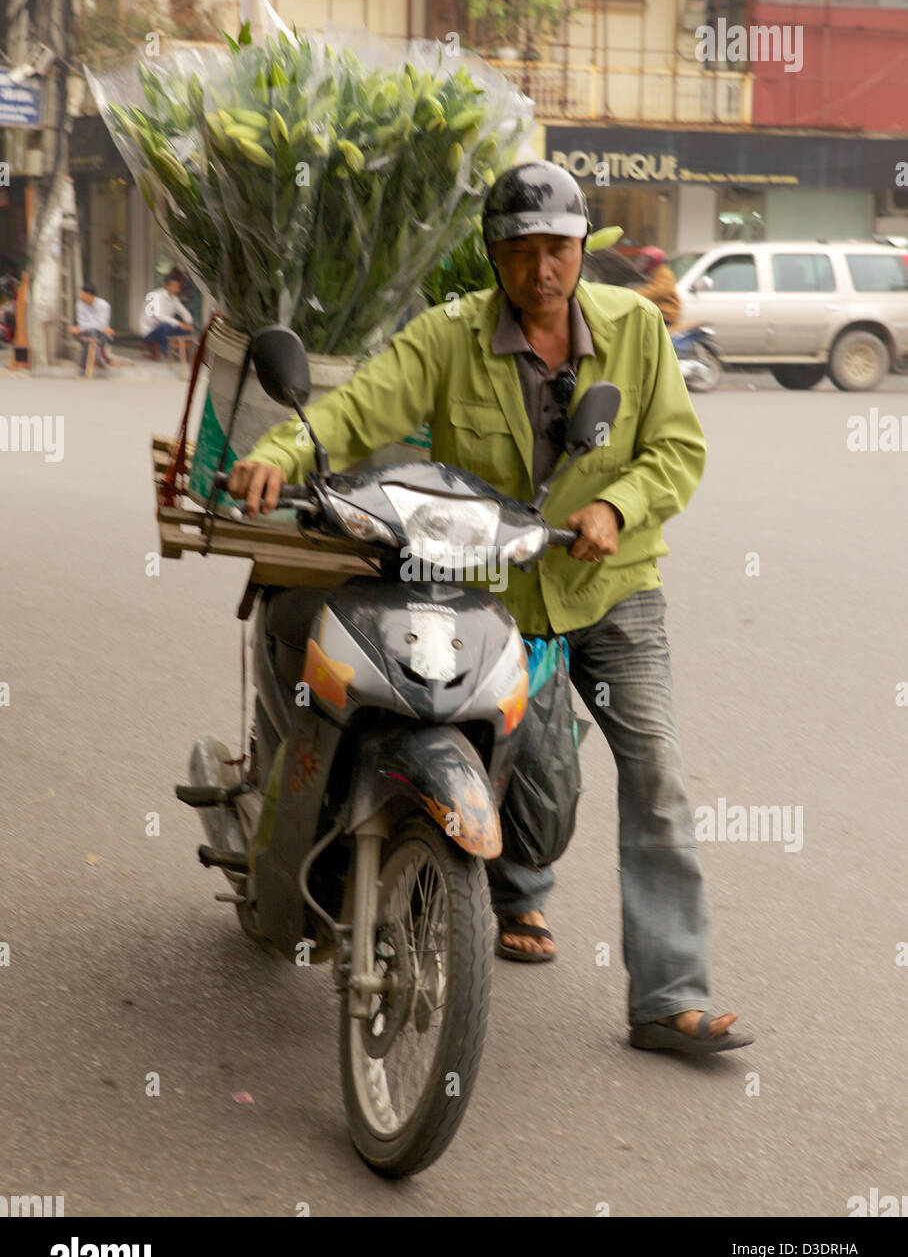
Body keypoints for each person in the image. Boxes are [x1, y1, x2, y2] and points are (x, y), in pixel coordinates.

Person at [227, 161, 753, 1056]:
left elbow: (675, 451)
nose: (540, 271)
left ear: (582, 249)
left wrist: (614, 508)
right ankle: (511, 896)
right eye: (519, 251)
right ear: (493, 255)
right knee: (527, 782)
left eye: (557, 249)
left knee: (656, 773)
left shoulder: (634, 331)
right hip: (501, 597)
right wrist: (281, 448)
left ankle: (669, 995)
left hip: (612, 590)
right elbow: (357, 409)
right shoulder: (449, 337)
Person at [140, 271, 195, 353]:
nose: (177, 288)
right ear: (166, 286)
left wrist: (189, 323)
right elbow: (159, 316)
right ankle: (165, 351)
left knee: (185, 329)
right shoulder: (156, 296)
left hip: (164, 329)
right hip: (149, 331)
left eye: (178, 286)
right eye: (174, 285)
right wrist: (179, 323)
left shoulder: (174, 298)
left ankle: (180, 351)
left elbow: (184, 312)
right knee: (166, 326)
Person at [632, 245, 681, 330]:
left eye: (644, 260)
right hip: (655, 311)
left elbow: (657, 290)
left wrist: (633, 294)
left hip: (665, 313)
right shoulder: (652, 273)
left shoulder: (663, 272)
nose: (641, 263)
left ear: (652, 261)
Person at [69, 283, 114, 374]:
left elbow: (102, 324)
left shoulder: (104, 305)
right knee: (90, 335)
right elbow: (81, 321)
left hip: (102, 335)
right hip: (85, 334)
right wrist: (82, 328)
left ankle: (84, 366)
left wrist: (81, 328)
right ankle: (99, 358)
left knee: (92, 334)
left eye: (82, 294)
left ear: (89, 294)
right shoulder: (79, 305)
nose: (80, 296)